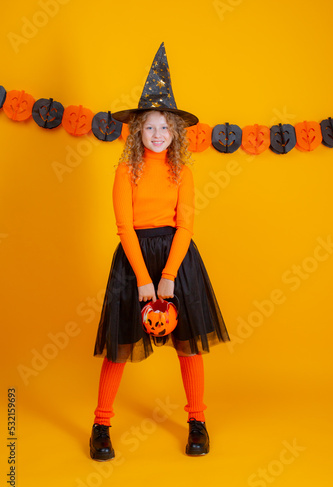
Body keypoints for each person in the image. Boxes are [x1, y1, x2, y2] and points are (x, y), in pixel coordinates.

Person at [90, 43, 230, 461]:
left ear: (175, 133)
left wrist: (168, 274)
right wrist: (144, 279)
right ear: (137, 132)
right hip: (134, 260)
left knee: (188, 343)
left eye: (164, 128)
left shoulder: (182, 171)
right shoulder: (124, 170)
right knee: (119, 343)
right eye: (149, 127)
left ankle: (198, 420)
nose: (157, 135)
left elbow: (186, 224)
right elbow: (124, 227)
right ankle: (100, 424)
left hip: (178, 259)